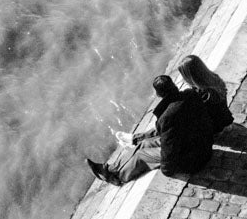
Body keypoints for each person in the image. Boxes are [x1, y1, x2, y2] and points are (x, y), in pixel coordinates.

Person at [87, 54, 234, 185]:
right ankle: (109, 168)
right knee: (144, 144)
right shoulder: (197, 92)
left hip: (193, 157)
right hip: (197, 142)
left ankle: (117, 177)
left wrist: (166, 169)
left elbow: (169, 152)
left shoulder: (178, 110)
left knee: (141, 155)